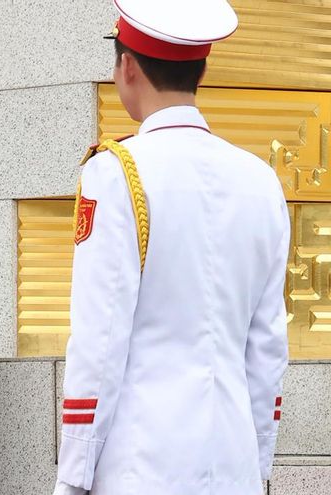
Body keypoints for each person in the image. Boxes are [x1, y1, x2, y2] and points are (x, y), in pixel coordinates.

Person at [54, 1, 289, 494]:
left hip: (139, 467)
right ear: (199, 68)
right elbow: (267, 347)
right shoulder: (260, 180)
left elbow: (101, 340)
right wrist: (258, 458)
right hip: (234, 465)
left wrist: (73, 476)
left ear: (128, 66)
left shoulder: (115, 171)